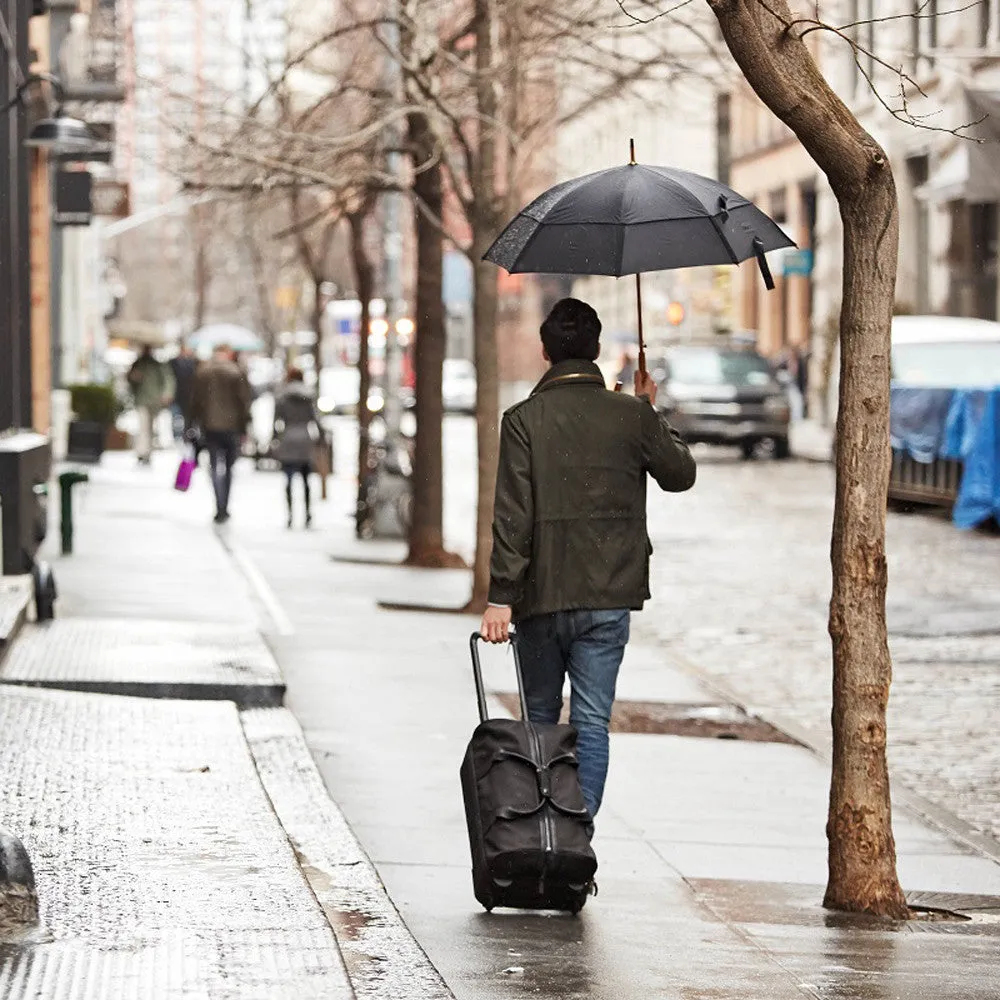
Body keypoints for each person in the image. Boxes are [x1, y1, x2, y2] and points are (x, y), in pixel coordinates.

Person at [480, 298, 696, 828]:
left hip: (540, 597)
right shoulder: (632, 415)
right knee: (593, 721)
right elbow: (680, 473)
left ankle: (538, 829)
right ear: (597, 350)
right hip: (607, 595)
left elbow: (513, 516)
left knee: (539, 720)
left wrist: (500, 598)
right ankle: (578, 831)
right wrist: (650, 410)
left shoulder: (522, 421)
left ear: (545, 351)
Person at [189, 343, 252, 524]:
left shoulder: (203, 372)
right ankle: (225, 505)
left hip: (210, 425)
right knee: (230, 467)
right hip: (232, 427)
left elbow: (195, 401)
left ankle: (219, 505)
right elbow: (244, 401)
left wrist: (192, 423)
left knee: (215, 465)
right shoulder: (236, 372)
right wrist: (244, 425)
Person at [272, 365, 322, 528]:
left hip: (288, 437)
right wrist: (321, 436)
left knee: (288, 479)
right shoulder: (309, 396)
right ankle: (308, 513)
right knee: (306, 479)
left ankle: (290, 515)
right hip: (304, 438)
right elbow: (316, 419)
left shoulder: (281, 396)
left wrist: (274, 439)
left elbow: (276, 421)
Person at [127, 345, 175, 465]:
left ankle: (148, 452)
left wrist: (167, 394)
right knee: (143, 427)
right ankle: (142, 452)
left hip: (155, 401)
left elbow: (168, 379)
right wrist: (133, 377)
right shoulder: (138, 364)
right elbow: (130, 379)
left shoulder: (158, 365)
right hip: (142, 399)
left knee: (151, 428)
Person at [168, 341, 199, 442]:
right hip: (176, 395)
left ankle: (186, 436)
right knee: (176, 418)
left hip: (188, 397)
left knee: (187, 419)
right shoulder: (173, 363)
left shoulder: (193, 363)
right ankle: (176, 436)